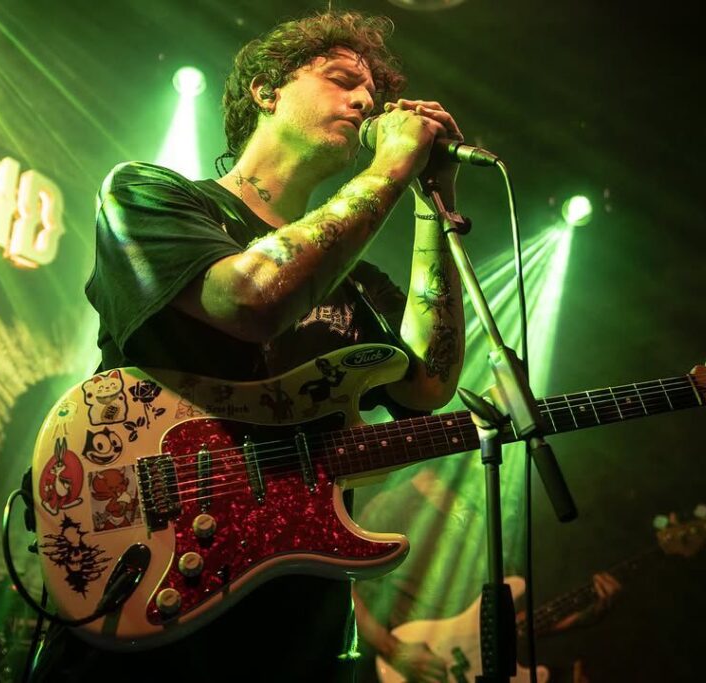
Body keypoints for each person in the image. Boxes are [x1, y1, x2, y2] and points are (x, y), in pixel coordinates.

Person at [30, 11, 465, 682]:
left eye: (373, 93)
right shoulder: (149, 195)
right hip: (151, 573)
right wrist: (391, 166)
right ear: (266, 90)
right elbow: (250, 299)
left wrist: (434, 204)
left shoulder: (358, 283)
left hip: (294, 617)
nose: (365, 102)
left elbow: (428, 385)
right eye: (343, 79)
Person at [352, 466, 622, 683]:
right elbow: (343, 589)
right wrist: (394, 650)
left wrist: (577, 617)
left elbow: (500, 625)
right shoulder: (395, 504)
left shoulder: (489, 516)